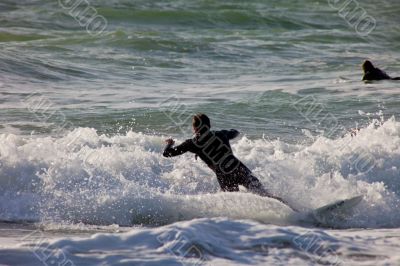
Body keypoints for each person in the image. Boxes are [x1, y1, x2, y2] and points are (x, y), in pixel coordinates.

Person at [163, 113, 296, 211]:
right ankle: (294, 213)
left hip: (224, 175)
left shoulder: (192, 143)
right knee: (265, 194)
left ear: (194, 129)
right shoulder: (221, 134)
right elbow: (235, 132)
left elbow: (167, 154)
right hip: (238, 168)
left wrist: (169, 144)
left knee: (236, 205)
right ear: (209, 126)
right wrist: (228, 133)